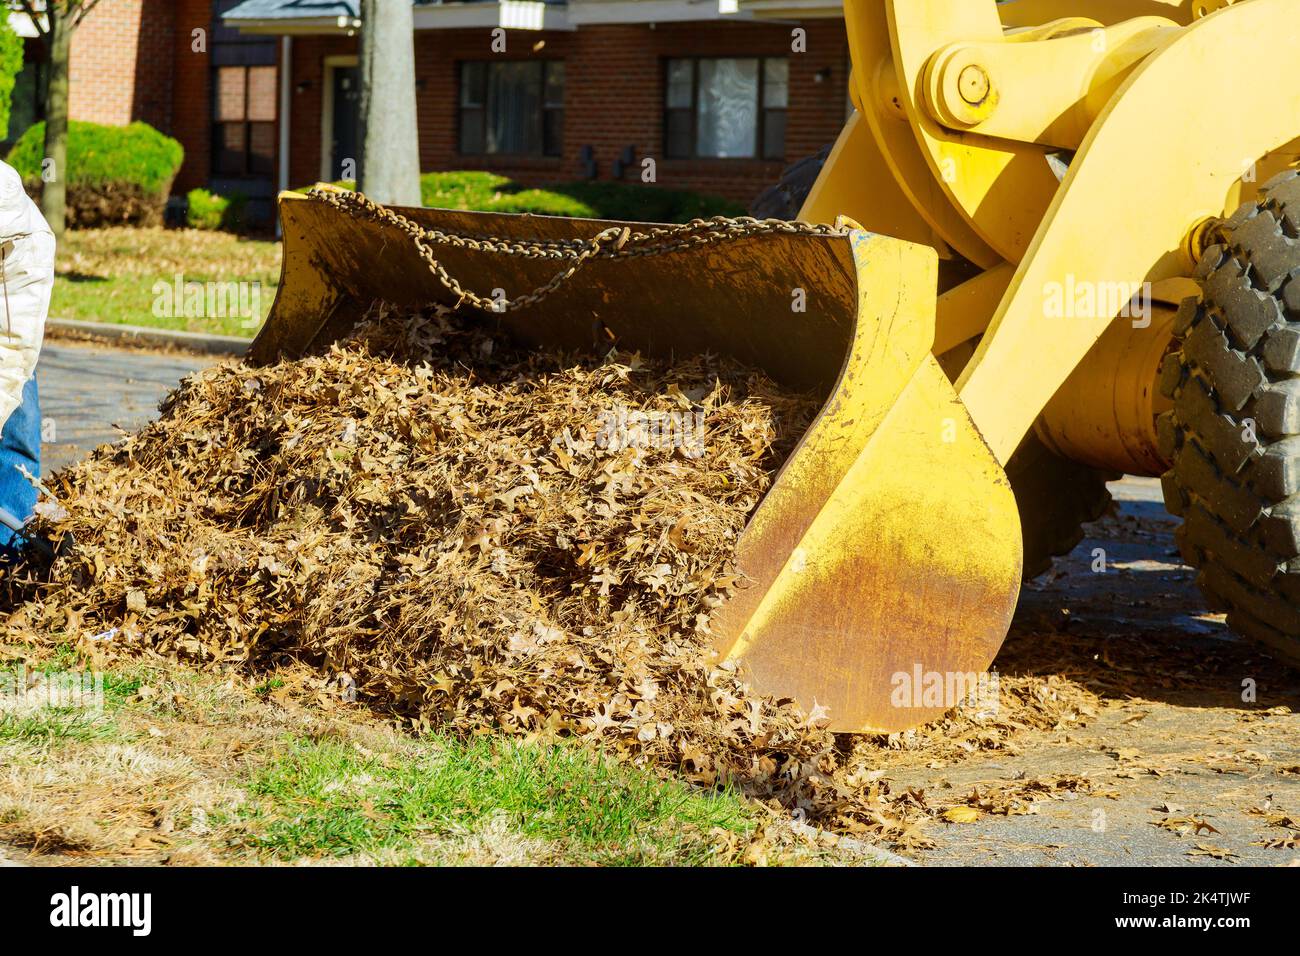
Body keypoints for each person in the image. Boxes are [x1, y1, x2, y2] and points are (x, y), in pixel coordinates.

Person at [0, 159, 55, 558]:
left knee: (17, 415)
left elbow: (10, 353)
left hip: (8, 320)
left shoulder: (26, 253)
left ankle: (11, 553)